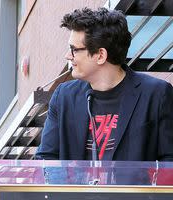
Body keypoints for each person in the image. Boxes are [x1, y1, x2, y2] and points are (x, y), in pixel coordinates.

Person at [37, 7, 173, 162]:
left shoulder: (157, 94)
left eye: (74, 49)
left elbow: (169, 163)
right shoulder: (63, 97)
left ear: (100, 55)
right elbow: (46, 159)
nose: (68, 56)